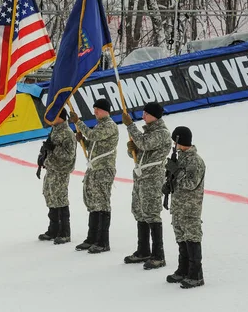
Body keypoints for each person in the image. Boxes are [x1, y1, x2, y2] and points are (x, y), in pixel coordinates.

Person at [122, 102, 171, 269]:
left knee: (151, 213)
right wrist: (132, 150)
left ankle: (158, 255)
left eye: (146, 114)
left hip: (152, 179)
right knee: (139, 211)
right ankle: (143, 250)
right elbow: (140, 151)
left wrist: (130, 126)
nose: (143, 116)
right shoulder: (147, 133)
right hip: (140, 177)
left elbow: (145, 144)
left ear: (155, 116)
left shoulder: (162, 133)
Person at [69, 98, 119, 254]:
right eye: (94, 108)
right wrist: (83, 141)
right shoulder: (100, 125)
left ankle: (103, 241)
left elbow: (93, 135)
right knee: (92, 202)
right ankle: (92, 237)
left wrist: (79, 122)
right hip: (94, 170)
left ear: (106, 110)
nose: (95, 112)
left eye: (97, 109)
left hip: (104, 170)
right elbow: (95, 143)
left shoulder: (110, 126)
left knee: (102, 204)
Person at [164, 126, 206, 289]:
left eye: (176, 141)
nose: (174, 144)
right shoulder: (180, 157)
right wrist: (168, 184)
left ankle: (196, 274)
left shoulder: (195, 160)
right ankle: (183, 270)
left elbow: (191, 183)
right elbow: (175, 178)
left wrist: (178, 173)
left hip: (190, 207)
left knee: (192, 237)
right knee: (181, 237)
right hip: (178, 205)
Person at [38, 108, 77, 245]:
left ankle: (64, 232)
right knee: (50, 195)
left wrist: (54, 149)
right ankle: (53, 229)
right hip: (51, 168)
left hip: (61, 170)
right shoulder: (55, 130)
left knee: (60, 198)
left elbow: (69, 155)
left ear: (60, 117)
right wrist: (44, 155)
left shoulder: (67, 133)